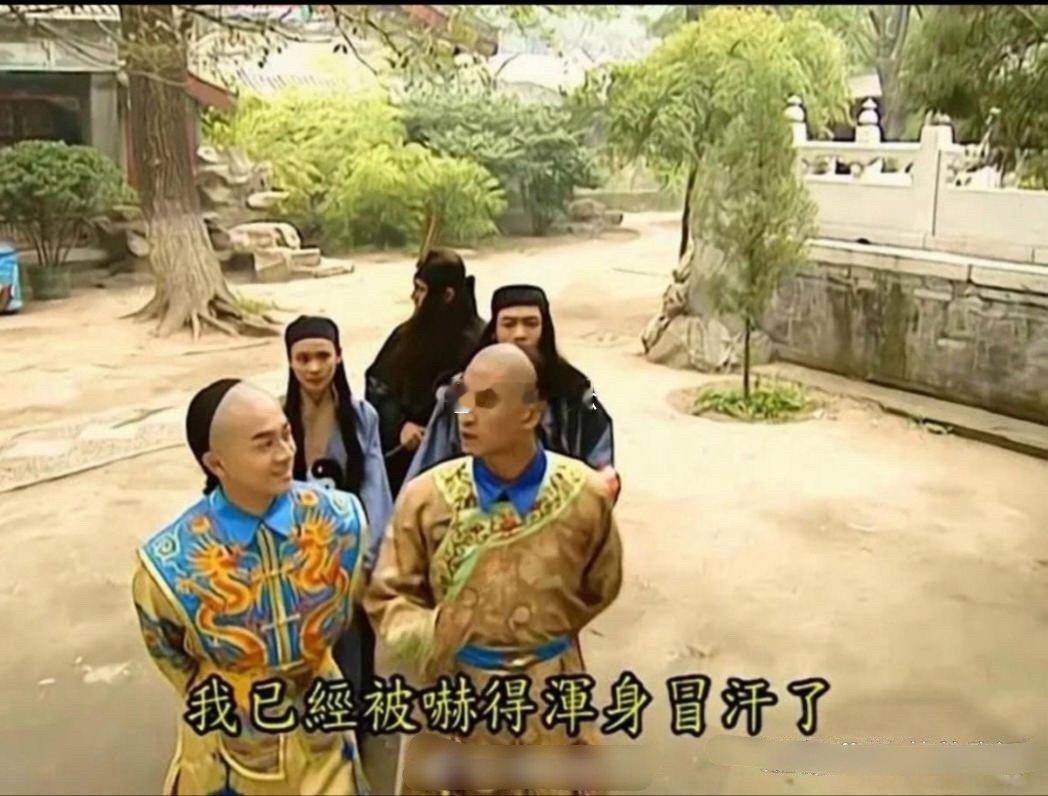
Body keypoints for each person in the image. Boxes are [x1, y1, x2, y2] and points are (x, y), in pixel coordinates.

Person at [366, 344, 623, 794]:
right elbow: (388, 597)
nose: (465, 414)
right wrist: (437, 633)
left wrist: (542, 628)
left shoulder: (583, 495)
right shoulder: (427, 498)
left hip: (550, 687)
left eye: (486, 401)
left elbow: (601, 583)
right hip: (457, 690)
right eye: (463, 397)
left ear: (530, 414)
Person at [132, 379, 369, 795]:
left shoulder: (340, 519)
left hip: (321, 718)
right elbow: (170, 654)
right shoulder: (171, 560)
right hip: (231, 736)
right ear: (217, 464)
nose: (286, 453)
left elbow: (346, 607)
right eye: (264, 444)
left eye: (286, 434)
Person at [406, 284, 618, 499]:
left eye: (531, 324)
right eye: (508, 324)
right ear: (494, 331)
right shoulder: (462, 389)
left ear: (545, 329)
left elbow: (598, 433)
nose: (519, 334)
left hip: (559, 501)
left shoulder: (577, 387)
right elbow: (433, 459)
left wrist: (603, 473)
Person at [282, 315, 392, 732]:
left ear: (339, 356)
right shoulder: (276, 416)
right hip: (292, 552)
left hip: (347, 551)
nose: (314, 368)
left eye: (322, 356)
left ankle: (353, 725)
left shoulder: (361, 416)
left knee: (350, 643)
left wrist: (367, 555)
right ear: (290, 361)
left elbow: (374, 485)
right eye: (303, 358)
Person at [365, 248, 485, 496]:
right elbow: (378, 387)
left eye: (421, 290)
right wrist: (399, 426)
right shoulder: (405, 337)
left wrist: (446, 425)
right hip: (406, 462)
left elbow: (480, 402)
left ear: (447, 295)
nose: (414, 297)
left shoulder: (480, 343)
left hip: (465, 466)